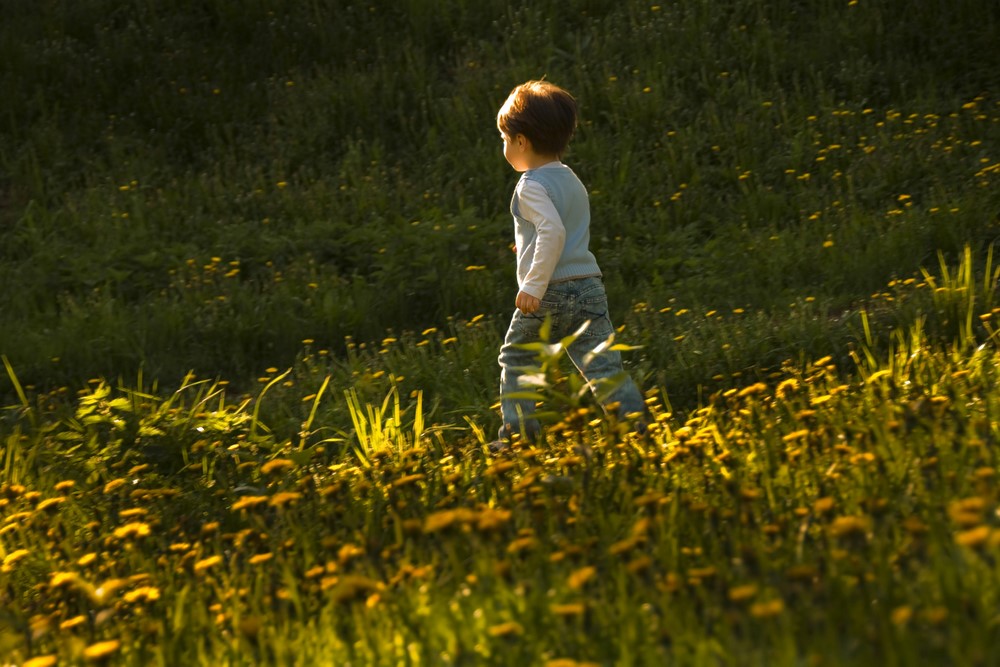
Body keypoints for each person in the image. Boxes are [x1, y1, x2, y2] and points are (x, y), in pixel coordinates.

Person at [494, 79, 646, 445]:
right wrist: (529, 250)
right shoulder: (572, 180)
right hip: (590, 286)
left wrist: (533, 283)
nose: (503, 146)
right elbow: (564, 230)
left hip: (549, 293)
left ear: (521, 141)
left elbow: (553, 233)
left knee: (517, 360)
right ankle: (635, 428)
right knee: (603, 365)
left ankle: (519, 439)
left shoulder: (529, 185)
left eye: (504, 139)